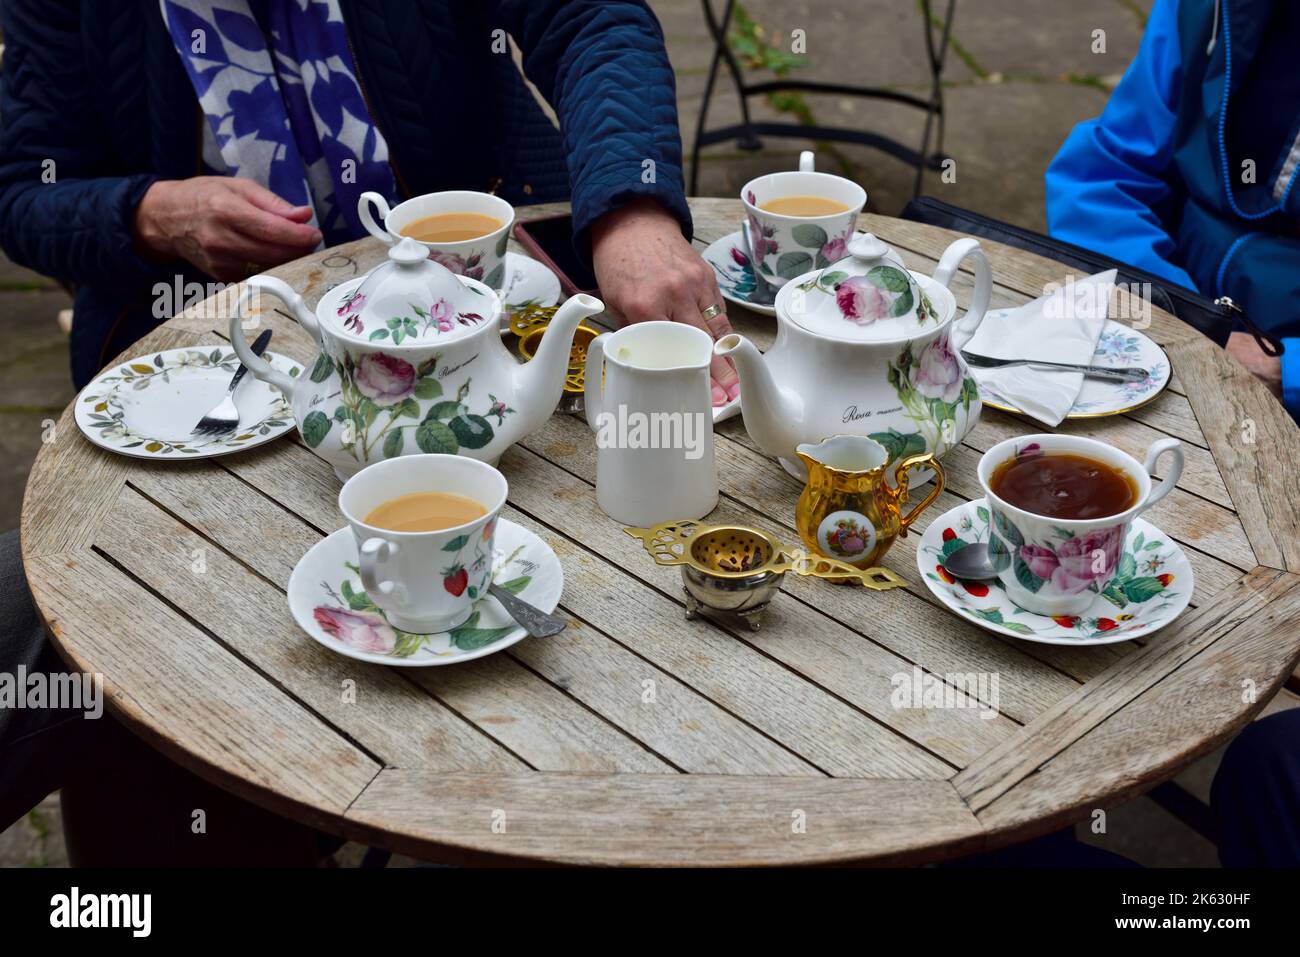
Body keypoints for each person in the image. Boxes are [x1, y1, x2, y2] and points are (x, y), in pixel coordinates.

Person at [0, 0, 740, 404]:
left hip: (487, 313)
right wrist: (151, 214)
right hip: (228, 362)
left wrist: (630, 209)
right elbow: (25, 190)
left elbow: (592, 18)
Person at [1044, 0, 1299, 416]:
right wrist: (1181, 317)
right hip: (1177, 326)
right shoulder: (1202, 8)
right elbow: (1107, 175)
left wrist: (1286, 371)